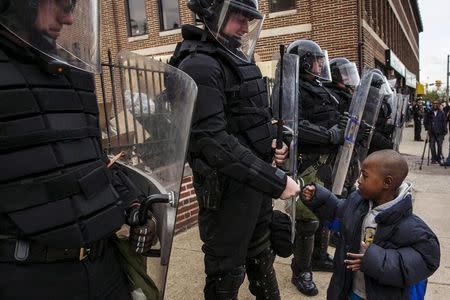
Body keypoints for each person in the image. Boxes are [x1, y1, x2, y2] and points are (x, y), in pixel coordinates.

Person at [0, 1, 156, 299]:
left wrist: (134, 205)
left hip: (102, 266)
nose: (70, 17)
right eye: (60, 2)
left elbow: (94, 157)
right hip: (28, 278)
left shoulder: (69, 73)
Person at [169, 1, 300, 299]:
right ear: (212, 15)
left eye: (248, 20)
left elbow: (242, 120)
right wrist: (276, 181)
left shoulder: (231, 57)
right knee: (226, 273)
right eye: (237, 19)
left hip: (252, 184)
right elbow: (212, 141)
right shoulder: (199, 64)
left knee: (261, 256)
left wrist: (268, 143)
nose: (244, 27)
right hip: (226, 192)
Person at [301, 149, 441, 300]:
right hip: (349, 290)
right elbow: (339, 212)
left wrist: (375, 260)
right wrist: (319, 198)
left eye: (365, 176)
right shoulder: (357, 202)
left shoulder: (410, 227)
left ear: (387, 182)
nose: (359, 180)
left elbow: (426, 260)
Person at [286, 39, 344, 296]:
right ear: (305, 61)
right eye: (318, 59)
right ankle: (301, 270)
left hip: (325, 162)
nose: (321, 64)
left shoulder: (319, 87)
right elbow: (294, 125)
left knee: (325, 211)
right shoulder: (291, 88)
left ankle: (319, 255)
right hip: (306, 162)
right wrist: (330, 135)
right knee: (307, 220)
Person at [423, 100, 448, 164]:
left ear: (438, 105)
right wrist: (427, 128)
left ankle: (438, 158)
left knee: (439, 146)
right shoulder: (430, 113)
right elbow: (425, 120)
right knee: (432, 146)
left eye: (436, 104)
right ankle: (433, 158)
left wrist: (445, 131)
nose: (435, 105)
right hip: (431, 132)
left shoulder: (441, 113)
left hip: (440, 132)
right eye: (434, 104)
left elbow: (444, 122)